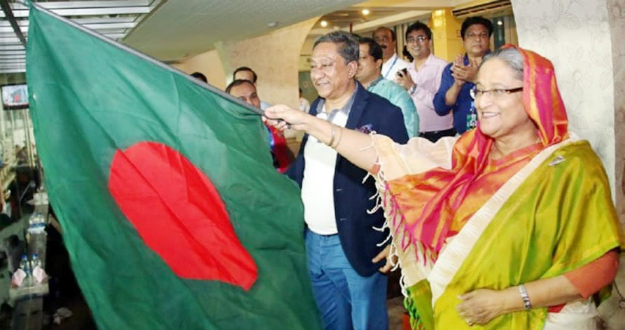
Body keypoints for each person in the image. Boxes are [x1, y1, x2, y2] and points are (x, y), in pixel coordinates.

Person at [266, 45, 622, 330]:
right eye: (479, 89)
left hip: (537, 317)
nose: (482, 101)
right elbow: (387, 156)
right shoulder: (468, 151)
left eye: (498, 91)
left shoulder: (569, 166)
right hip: (457, 313)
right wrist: (308, 123)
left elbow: (600, 267)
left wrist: (508, 300)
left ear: (534, 95)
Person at [280, 31, 408, 330]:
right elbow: (306, 169)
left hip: (357, 242)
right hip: (314, 242)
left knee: (366, 323)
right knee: (331, 323)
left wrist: (396, 239)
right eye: (313, 66)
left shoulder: (383, 113)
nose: (317, 74)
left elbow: (402, 181)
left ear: (351, 68)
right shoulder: (315, 110)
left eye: (326, 65)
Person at [433, 16, 492, 135]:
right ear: (463, 41)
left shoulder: (500, 64)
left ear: (489, 39)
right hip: (463, 136)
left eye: (483, 34)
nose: (478, 39)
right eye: (471, 35)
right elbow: (440, 108)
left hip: (495, 136)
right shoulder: (453, 69)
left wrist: (476, 79)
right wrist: (458, 84)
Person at [396, 22, 453, 142]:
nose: (415, 43)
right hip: (413, 133)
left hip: (439, 133)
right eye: (411, 39)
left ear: (430, 42)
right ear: (406, 45)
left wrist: (413, 88)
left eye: (421, 38)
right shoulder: (406, 71)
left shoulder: (442, 67)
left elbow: (441, 104)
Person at [356, 37, 419, 138]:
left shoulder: (395, 93)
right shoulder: (348, 93)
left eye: (362, 57)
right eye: (353, 58)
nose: (356, 63)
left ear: (378, 63)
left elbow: (409, 134)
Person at [225, 79, 292, 173]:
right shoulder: (228, 137)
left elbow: (285, 155)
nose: (250, 103)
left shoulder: (272, 127)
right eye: (241, 99)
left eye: (253, 96)